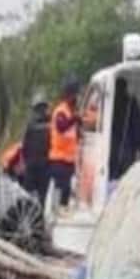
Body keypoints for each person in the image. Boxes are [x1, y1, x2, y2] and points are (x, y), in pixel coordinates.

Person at [47, 79, 82, 208]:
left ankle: (62, 211)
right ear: (70, 95)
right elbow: (61, 126)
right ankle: (56, 215)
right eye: (76, 95)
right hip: (59, 160)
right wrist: (74, 119)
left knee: (67, 192)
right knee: (61, 190)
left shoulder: (70, 111)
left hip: (69, 160)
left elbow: (74, 134)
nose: (77, 98)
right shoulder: (61, 111)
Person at [18, 97, 52, 200]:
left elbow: (24, 146)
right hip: (42, 165)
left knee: (27, 195)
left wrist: (24, 162)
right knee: (42, 195)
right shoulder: (50, 124)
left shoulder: (31, 125)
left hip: (34, 164)